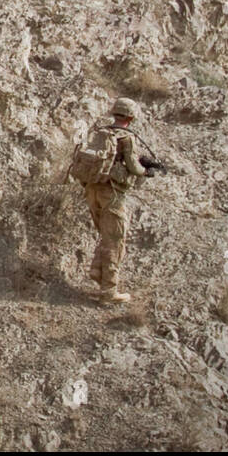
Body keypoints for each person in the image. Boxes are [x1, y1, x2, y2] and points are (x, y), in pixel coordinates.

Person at [82, 97, 155, 303]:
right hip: (112, 193)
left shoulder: (100, 132)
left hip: (92, 190)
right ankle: (109, 291)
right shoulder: (126, 137)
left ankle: (98, 271)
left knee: (107, 234)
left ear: (114, 113)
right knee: (115, 239)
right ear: (131, 117)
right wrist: (146, 171)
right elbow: (133, 167)